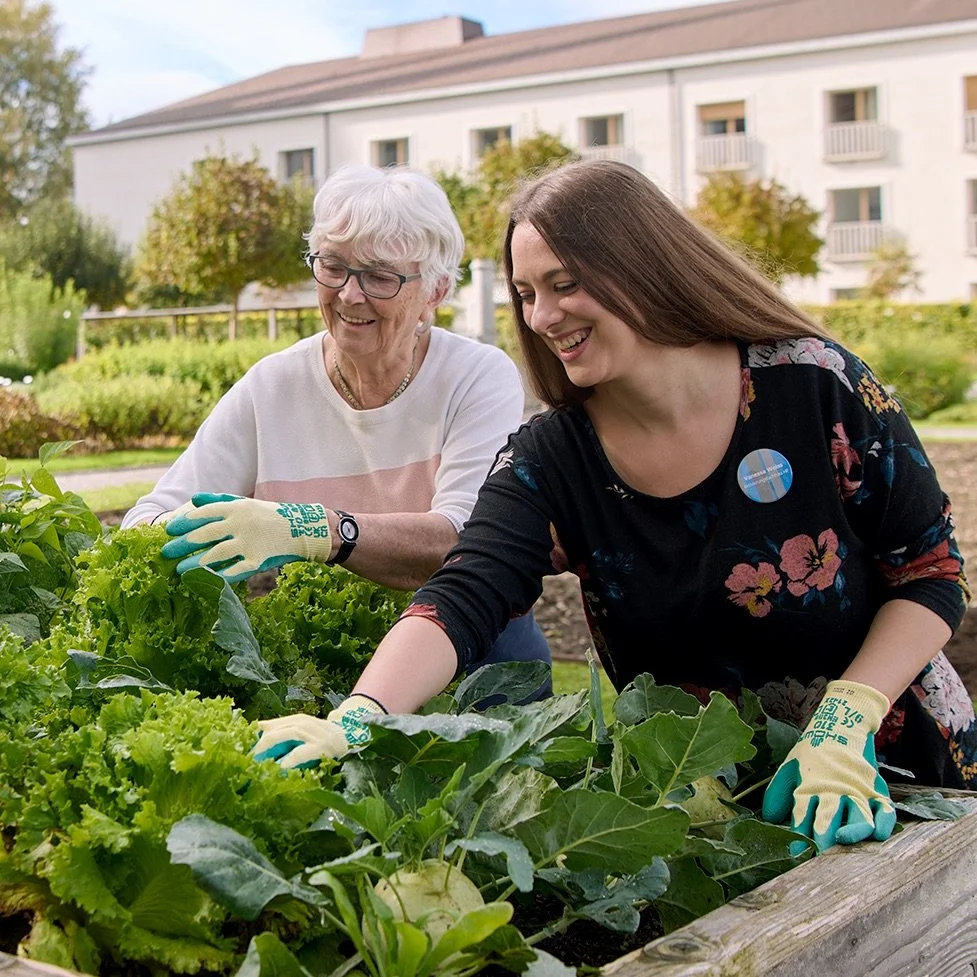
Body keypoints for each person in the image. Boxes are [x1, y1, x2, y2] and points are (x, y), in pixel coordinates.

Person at [252, 158, 976, 853]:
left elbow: (931, 572)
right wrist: (360, 715)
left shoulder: (814, 387)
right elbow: (467, 590)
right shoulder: (554, 459)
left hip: (898, 777)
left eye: (564, 283)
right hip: (707, 809)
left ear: (640, 264)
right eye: (527, 292)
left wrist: (843, 720)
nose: (542, 315)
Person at [123, 163, 552, 699]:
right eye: (333, 267)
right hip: (330, 668)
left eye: (379, 277)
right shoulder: (272, 387)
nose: (350, 295)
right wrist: (202, 533)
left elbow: (462, 539)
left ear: (436, 290)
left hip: (477, 662)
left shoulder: (476, 377)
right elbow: (147, 519)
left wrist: (312, 528)